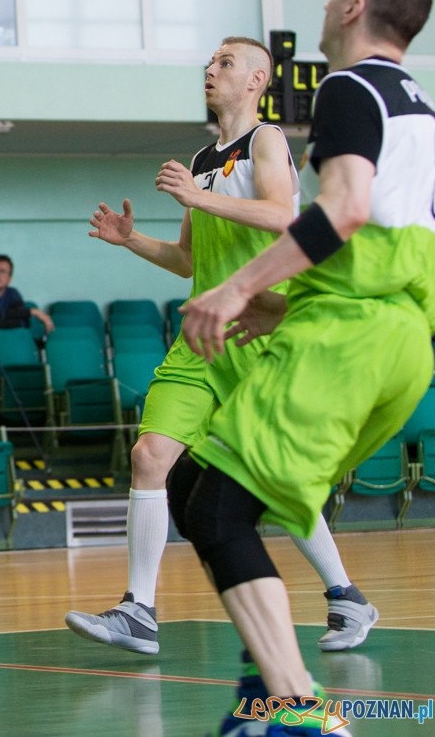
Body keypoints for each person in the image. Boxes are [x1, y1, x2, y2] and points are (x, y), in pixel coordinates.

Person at [176, 0, 433, 735]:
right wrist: (291, 306)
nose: (324, 1)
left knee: (215, 508)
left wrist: (239, 287)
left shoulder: (349, 88)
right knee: (199, 488)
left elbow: (346, 210)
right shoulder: (420, 107)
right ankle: (270, 681)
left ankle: (295, 711)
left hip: (349, 340)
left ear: (354, 8)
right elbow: (396, 242)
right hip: (400, 341)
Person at [66, 37, 377, 661]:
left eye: (225, 63)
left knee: (277, 480)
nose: (211, 70)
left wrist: (197, 197)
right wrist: (133, 241)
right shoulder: (204, 157)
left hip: (259, 335)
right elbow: (187, 260)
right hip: (201, 339)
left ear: (257, 79)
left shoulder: (267, 142)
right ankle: (140, 611)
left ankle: (347, 595)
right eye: (210, 63)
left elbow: (283, 215)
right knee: (150, 455)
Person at [0, 255, 54, 339]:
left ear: (9, 279)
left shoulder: (12, 293)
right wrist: (32, 311)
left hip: (7, 340)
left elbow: (23, 322)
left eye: (3, 271)